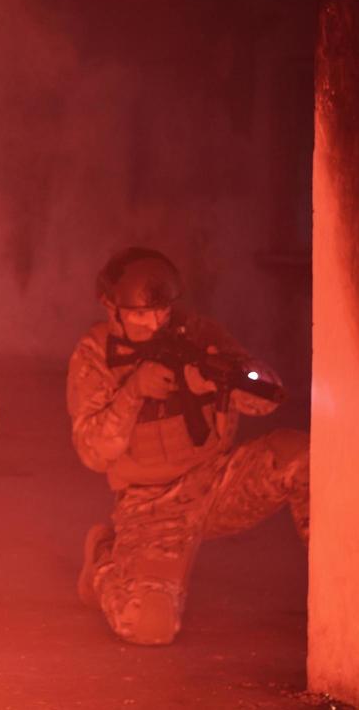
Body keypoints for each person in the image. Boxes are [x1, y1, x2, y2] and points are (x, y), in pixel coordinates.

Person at [66, 246, 308, 645]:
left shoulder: (200, 334)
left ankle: (339, 589)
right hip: (151, 507)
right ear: (112, 308)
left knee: (303, 458)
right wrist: (135, 390)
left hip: (216, 483)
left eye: (162, 311)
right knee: (148, 627)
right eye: (141, 314)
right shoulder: (94, 355)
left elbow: (270, 397)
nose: (155, 323)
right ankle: (104, 565)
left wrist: (220, 379)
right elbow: (93, 452)